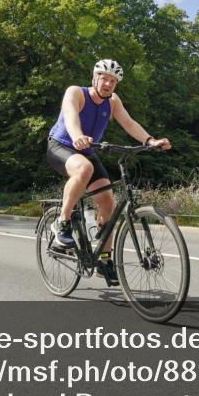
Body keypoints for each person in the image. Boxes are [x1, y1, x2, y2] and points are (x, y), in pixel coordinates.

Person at [46, 59, 171, 286]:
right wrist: (77, 136)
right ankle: (62, 222)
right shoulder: (76, 92)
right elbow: (70, 116)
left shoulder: (112, 102)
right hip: (62, 145)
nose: (108, 83)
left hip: (87, 148)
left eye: (113, 81)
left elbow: (129, 122)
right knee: (84, 168)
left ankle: (105, 260)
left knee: (106, 200)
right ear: (94, 78)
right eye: (104, 78)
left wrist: (150, 141)